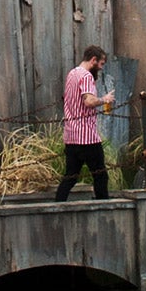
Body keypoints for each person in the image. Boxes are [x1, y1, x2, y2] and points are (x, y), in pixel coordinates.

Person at [56, 45, 114, 202]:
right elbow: (88, 101)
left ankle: (58, 205)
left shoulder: (72, 74)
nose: (101, 69)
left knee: (70, 177)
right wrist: (104, 99)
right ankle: (104, 208)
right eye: (101, 64)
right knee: (100, 175)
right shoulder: (86, 76)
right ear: (93, 60)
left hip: (71, 135)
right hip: (87, 137)